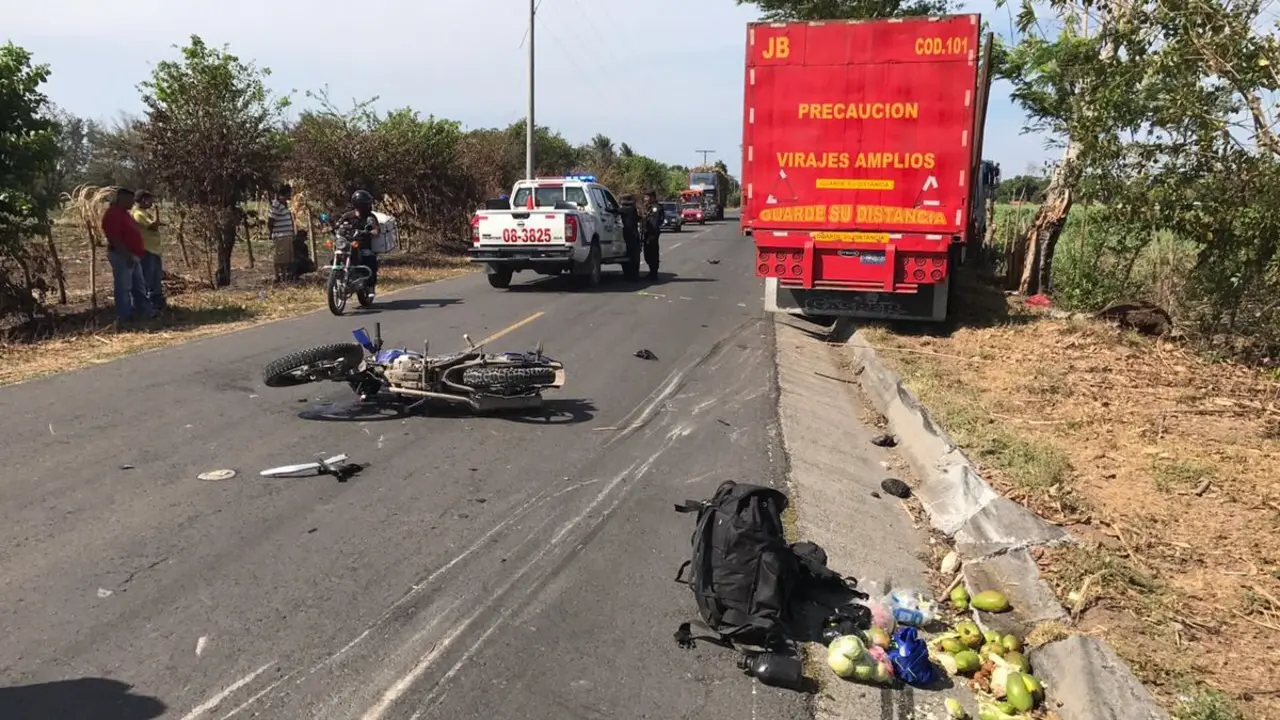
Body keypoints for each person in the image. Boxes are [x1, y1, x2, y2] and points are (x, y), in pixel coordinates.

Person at [101, 187, 154, 328]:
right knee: (124, 286)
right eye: (130, 200)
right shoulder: (112, 214)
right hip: (122, 255)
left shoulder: (124, 213)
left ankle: (145, 311)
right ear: (122, 199)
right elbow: (114, 238)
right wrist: (126, 255)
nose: (132, 203)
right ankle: (125, 316)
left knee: (139, 285)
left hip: (133, 255)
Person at [340, 189, 381, 298]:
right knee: (338, 254)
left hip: (362, 245)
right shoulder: (348, 216)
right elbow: (338, 224)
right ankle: (337, 278)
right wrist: (331, 227)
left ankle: (370, 285)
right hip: (347, 244)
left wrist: (369, 231)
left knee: (370, 259)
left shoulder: (370, 217)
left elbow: (376, 230)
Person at [131, 190, 166, 310]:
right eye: (150, 199)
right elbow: (153, 225)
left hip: (153, 249)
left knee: (156, 277)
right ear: (143, 200)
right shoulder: (138, 214)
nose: (152, 202)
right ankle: (147, 305)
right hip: (147, 249)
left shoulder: (144, 212)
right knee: (148, 277)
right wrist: (157, 213)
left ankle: (157, 302)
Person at [267, 183, 296, 281]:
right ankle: (277, 276)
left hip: (286, 235)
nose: (290, 195)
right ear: (285, 193)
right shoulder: (276, 205)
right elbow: (271, 221)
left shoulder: (284, 205)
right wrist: (271, 233)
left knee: (285, 259)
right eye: (289, 193)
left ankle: (284, 276)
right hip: (280, 236)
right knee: (279, 258)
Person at [618, 194, 642, 280]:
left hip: (631, 235)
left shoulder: (627, 209)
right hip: (633, 234)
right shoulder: (632, 209)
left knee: (632, 256)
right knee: (633, 256)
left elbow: (616, 211)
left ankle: (633, 276)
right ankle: (633, 275)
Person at [641, 190, 663, 280]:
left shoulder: (655, 208)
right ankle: (651, 272)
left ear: (652, 197)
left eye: (647, 197)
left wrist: (650, 232)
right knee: (648, 254)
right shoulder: (649, 207)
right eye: (645, 197)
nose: (645, 199)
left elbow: (654, 222)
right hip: (648, 233)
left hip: (652, 234)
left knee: (652, 253)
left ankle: (654, 273)